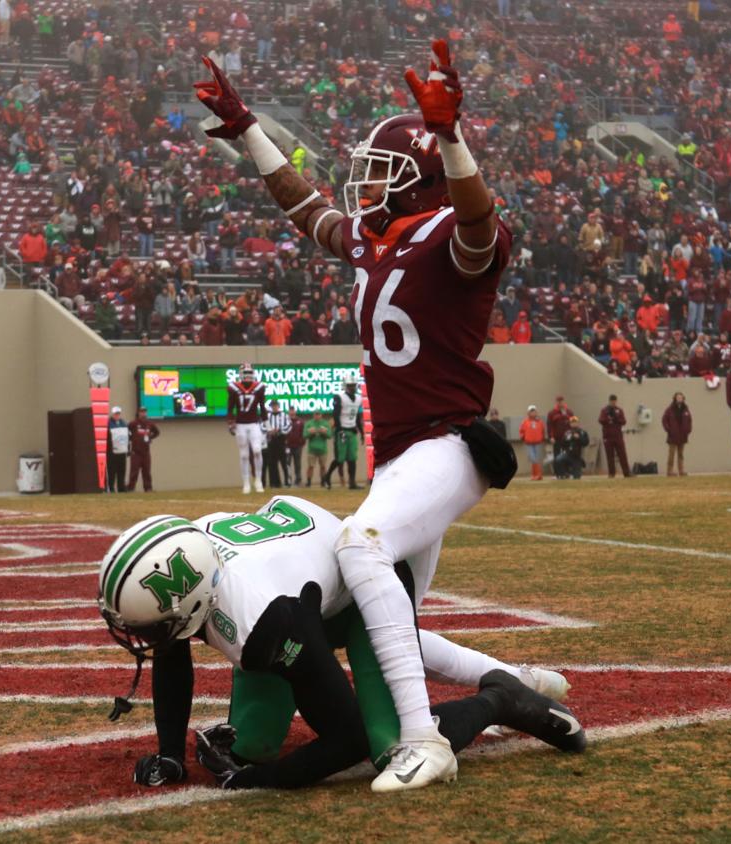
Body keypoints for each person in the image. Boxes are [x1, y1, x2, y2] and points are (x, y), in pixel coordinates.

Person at [195, 41, 518, 791]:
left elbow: (478, 224)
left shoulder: (450, 233)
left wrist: (453, 137)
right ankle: (512, 681)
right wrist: (249, 130)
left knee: (364, 547)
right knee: (380, 613)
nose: (366, 186)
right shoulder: (383, 240)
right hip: (401, 453)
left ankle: (419, 737)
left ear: (421, 182)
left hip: (447, 443)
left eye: (382, 173)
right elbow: (305, 205)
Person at [98, 498, 583, 791]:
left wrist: (256, 782)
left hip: (362, 591)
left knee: (390, 749)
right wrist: (169, 754)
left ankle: (500, 697)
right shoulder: (194, 559)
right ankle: (510, 678)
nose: (143, 639)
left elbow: (343, 740)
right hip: (293, 588)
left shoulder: (261, 618)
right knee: (255, 745)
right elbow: (173, 651)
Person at [228, 363, 266, 494]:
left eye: (250, 373)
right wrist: (230, 422)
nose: (248, 376)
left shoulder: (259, 387)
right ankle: (246, 483)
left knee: (257, 450)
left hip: (254, 423)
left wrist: (266, 422)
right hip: (240, 424)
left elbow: (262, 405)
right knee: (244, 455)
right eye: (246, 373)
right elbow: (230, 406)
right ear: (241, 374)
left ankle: (259, 480)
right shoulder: (234, 388)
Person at [325, 373, 364, 490]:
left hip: (352, 431)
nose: (352, 387)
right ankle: (327, 477)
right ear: (345, 386)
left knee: (352, 458)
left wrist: (361, 432)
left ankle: (352, 483)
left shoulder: (358, 398)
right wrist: (339, 429)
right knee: (339, 458)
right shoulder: (339, 397)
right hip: (342, 431)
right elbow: (335, 415)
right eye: (350, 385)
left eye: (353, 385)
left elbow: (357, 416)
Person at [127, 407, 160, 492]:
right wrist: (131, 439)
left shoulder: (150, 424)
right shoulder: (133, 423)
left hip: (146, 452)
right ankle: (131, 488)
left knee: (146, 472)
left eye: (144, 412)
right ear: (138, 413)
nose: (143, 414)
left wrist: (150, 438)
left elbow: (157, 432)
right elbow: (126, 432)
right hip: (135, 452)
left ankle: (148, 488)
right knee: (134, 472)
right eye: (141, 412)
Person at [598, 394, 631, 478]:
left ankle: (627, 473)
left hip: (618, 435)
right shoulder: (604, 410)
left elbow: (623, 421)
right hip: (608, 436)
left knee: (622, 454)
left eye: (614, 401)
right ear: (609, 401)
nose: (613, 402)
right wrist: (608, 417)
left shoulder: (619, 410)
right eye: (612, 401)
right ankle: (611, 473)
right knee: (610, 455)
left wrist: (616, 418)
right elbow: (601, 420)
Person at [262, 400, 292, 489]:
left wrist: (279, 430)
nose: (274, 407)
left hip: (281, 439)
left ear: (278, 406)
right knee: (272, 463)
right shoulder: (267, 416)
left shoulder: (284, 415)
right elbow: (262, 426)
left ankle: (287, 481)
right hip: (271, 440)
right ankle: (274, 483)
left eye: (275, 405)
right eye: (272, 406)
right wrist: (270, 430)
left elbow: (289, 426)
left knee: (284, 462)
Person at [661, 392, 692, 476]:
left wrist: (688, 430)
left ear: (683, 399)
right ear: (675, 398)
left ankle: (681, 471)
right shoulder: (670, 409)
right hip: (673, 436)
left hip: (682, 436)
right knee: (671, 455)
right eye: (678, 397)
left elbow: (689, 420)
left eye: (681, 397)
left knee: (681, 455)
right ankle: (669, 471)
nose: (679, 399)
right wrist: (668, 430)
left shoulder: (686, 409)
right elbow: (664, 420)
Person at [303, 410, 332, 488]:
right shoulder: (309, 423)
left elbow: (329, 435)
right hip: (312, 449)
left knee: (323, 466)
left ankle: (323, 481)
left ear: (321, 415)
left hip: (323, 449)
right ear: (313, 415)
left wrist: (324, 432)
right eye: (316, 414)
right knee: (310, 466)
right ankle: (308, 482)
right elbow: (305, 435)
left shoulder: (325, 423)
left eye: (318, 414)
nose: (317, 416)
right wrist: (310, 433)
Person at [519, 404, 546, 480]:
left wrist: (542, 439)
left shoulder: (540, 422)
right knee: (533, 458)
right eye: (531, 411)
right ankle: (536, 474)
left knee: (537, 459)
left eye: (534, 411)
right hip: (529, 443)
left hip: (538, 443)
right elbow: (521, 431)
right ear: (528, 413)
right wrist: (523, 437)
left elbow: (543, 431)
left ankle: (536, 475)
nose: (533, 413)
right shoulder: (525, 422)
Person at [546, 395, 571, 476]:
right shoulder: (552, 413)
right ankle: (558, 473)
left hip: (567, 438)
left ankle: (567, 471)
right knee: (557, 456)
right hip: (557, 438)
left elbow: (573, 423)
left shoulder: (569, 412)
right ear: (556, 402)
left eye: (561, 401)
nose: (560, 403)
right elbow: (549, 426)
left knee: (567, 455)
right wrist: (551, 437)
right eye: (558, 401)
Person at [106, 406, 129, 492]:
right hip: (112, 452)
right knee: (112, 471)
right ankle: (111, 488)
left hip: (122, 451)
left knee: (121, 471)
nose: (117, 415)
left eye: (118, 413)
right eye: (116, 413)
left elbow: (127, 437)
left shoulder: (123, 423)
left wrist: (128, 448)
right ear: (112, 414)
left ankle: (121, 488)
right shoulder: (108, 423)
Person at [286, 409, 305, 487]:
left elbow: (303, 433)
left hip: (298, 446)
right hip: (288, 446)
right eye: (290, 411)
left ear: (295, 412)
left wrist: (302, 442)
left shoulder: (300, 421)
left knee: (298, 464)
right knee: (287, 464)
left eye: (293, 411)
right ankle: (288, 480)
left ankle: (298, 480)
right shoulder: (286, 421)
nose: (292, 413)